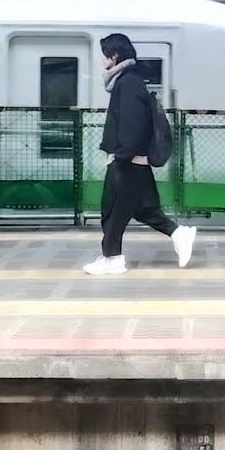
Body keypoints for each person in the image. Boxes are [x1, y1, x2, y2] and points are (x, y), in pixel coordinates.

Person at [84, 33, 196, 275]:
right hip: (131, 160)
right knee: (142, 208)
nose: (103, 60)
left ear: (115, 55)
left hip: (128, 161)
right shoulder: (128, 81)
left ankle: (113, 258)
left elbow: (133, 124)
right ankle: (179, 233)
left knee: (113, 211)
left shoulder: (128, 83)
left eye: (105, 55)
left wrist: (121, 155)